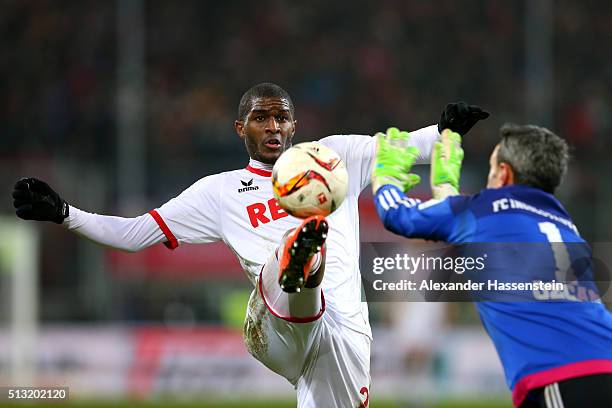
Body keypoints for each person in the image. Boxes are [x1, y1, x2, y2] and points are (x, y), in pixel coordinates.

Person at [12, 82, 487, 407]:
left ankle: (304, 257)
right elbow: (137, 234)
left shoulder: (335, 156)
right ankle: (301, 257)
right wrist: (66, 215)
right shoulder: (219, 192)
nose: (273, 127)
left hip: (344, 335)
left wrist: (446, 131)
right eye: (262, 118)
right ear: (241, 128)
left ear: (295, 126)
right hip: (274, 324)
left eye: (282, 118)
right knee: (297, 254)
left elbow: (410, 149)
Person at [371, 123, 612, 407]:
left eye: (491, 167)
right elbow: (474, 228)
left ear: (504, 173)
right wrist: (447, 190)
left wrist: (385, 176)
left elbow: (398, 215)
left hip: (566, 375)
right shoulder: (565, 225)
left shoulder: (484, 210)